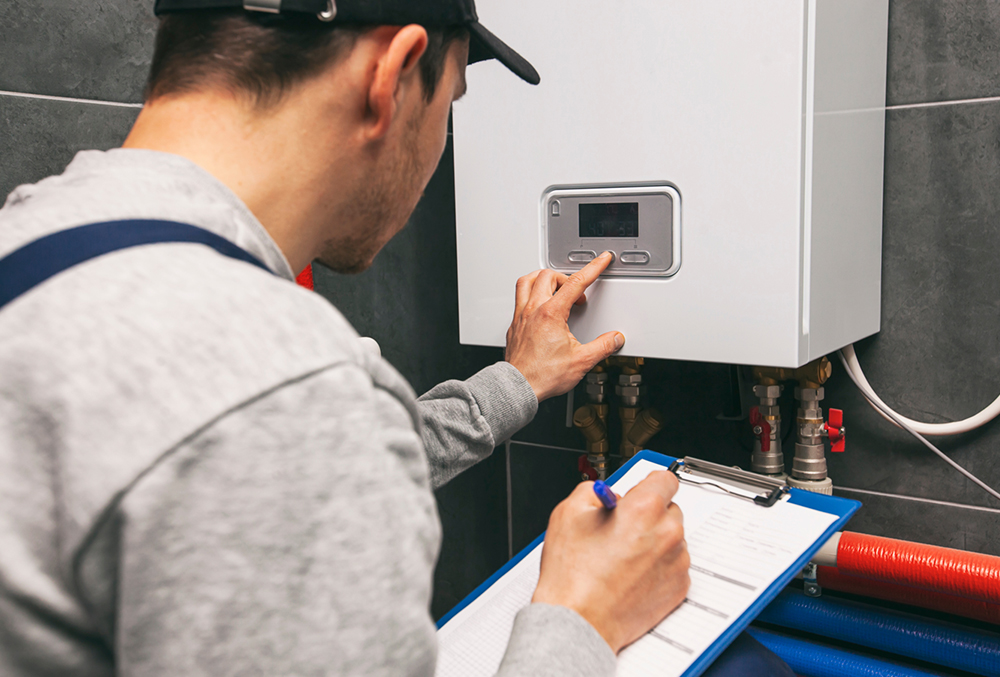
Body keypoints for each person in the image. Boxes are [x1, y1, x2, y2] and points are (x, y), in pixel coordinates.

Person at [0, 1, 791, 675]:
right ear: (393, 75)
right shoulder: (285, 395)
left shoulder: (37, 241)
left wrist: (512, 383)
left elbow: (228, 443)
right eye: (451, 98)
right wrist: (581, 616)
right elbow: (281, 432)